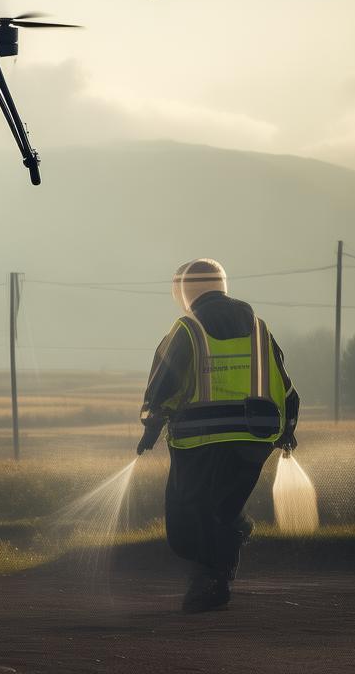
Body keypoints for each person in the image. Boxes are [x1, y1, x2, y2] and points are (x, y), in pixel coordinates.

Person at [136, 258, 299, 613]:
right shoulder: (259, 328)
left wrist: (151, 422)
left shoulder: (187, 328)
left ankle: (210, 581)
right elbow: (286, 390)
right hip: (253, 440)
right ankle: (219, 567)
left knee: (185, 518)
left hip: (199, 441)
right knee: (220, 512)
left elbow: (163, 381)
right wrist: (287, 430)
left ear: (185, 291)